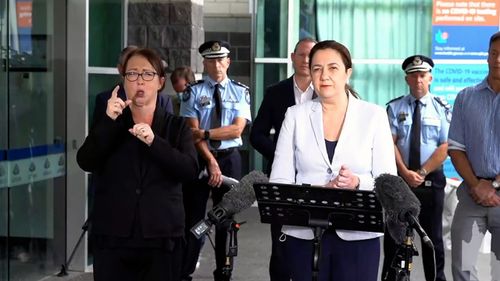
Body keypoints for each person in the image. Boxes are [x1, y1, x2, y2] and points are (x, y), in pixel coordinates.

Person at [269, 40, 396, 281]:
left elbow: (388, 180)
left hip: (358, 236)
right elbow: (280, 181)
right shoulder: (295, 115)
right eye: (316, 68)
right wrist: (318, 192)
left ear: (348, 72)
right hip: (303, 233)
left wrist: (357, 181)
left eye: (332, 68)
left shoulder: (374, 115)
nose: (324, 75)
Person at [76, 48, 198, 281]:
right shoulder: (112, 122)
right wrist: (108, 122)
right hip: (113, 235)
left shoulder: (176, 126)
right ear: (123, 81)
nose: (139, 80)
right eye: (132, 74)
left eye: (147, 74)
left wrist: (154, 142)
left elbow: (189, 170)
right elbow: (85, 161)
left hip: (162, 236)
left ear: (161, 82)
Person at [179, 40, 252, 281]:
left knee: (225, 219)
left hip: (230, 160)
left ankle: (223, 272)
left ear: (228, 62)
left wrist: (207, 133)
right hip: (201, 159)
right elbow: (192, 133)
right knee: (195, 218)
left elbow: (236, 130)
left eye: (221, 59)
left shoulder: (240, 92)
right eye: (211, 60)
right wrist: (210, 161)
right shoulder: (193, 91)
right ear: (205, 63)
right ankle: (185, 271)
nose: (217, 65)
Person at [249, 37, 316, 281]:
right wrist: (281, 156)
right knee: (281, 244)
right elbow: (256, 135)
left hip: (319, 180)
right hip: (282, 178)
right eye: (301, 54)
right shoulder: (276, 92)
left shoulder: (326, 93)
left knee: (314, 240)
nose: (306, 60)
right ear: (292, 57)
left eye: (311, 55)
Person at [383, 55, 451, 281]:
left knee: (433, 240)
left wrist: (421, 173)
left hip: (430, 182)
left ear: (430, 78)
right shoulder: (394, 107)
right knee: (394, 239)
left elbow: (445, 146)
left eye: (422, 75)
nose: (418, 80)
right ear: (407, 79)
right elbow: (389, 142)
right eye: (414, 76)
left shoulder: (441, 107)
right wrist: (404, 172)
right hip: (400, 184)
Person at [448, 31, 500, 281]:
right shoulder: (466, 97)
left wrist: (494, 185)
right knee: (463, 267)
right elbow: (456, 148)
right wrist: (477, 185)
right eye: (494, 53)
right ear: (487, 57)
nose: (498, 59)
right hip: (472, 195)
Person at [92, 46, 173, 125]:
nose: (140, 80)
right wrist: (108, 118)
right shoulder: (105, 100)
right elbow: (95, 136)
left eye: (147, 73)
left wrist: (153, 138)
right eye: (132, 72)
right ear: (120, 69)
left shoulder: (164, 101)